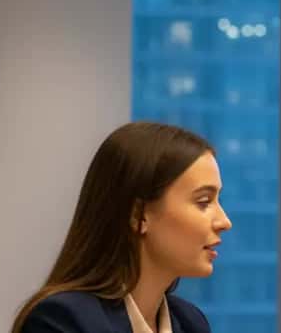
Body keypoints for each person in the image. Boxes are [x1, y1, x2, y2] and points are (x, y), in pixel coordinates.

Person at [12, 122, 232, 333]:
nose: (224, 222)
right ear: (138, 214)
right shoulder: (62, 320)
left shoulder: (190, 321)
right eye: (203, 202)